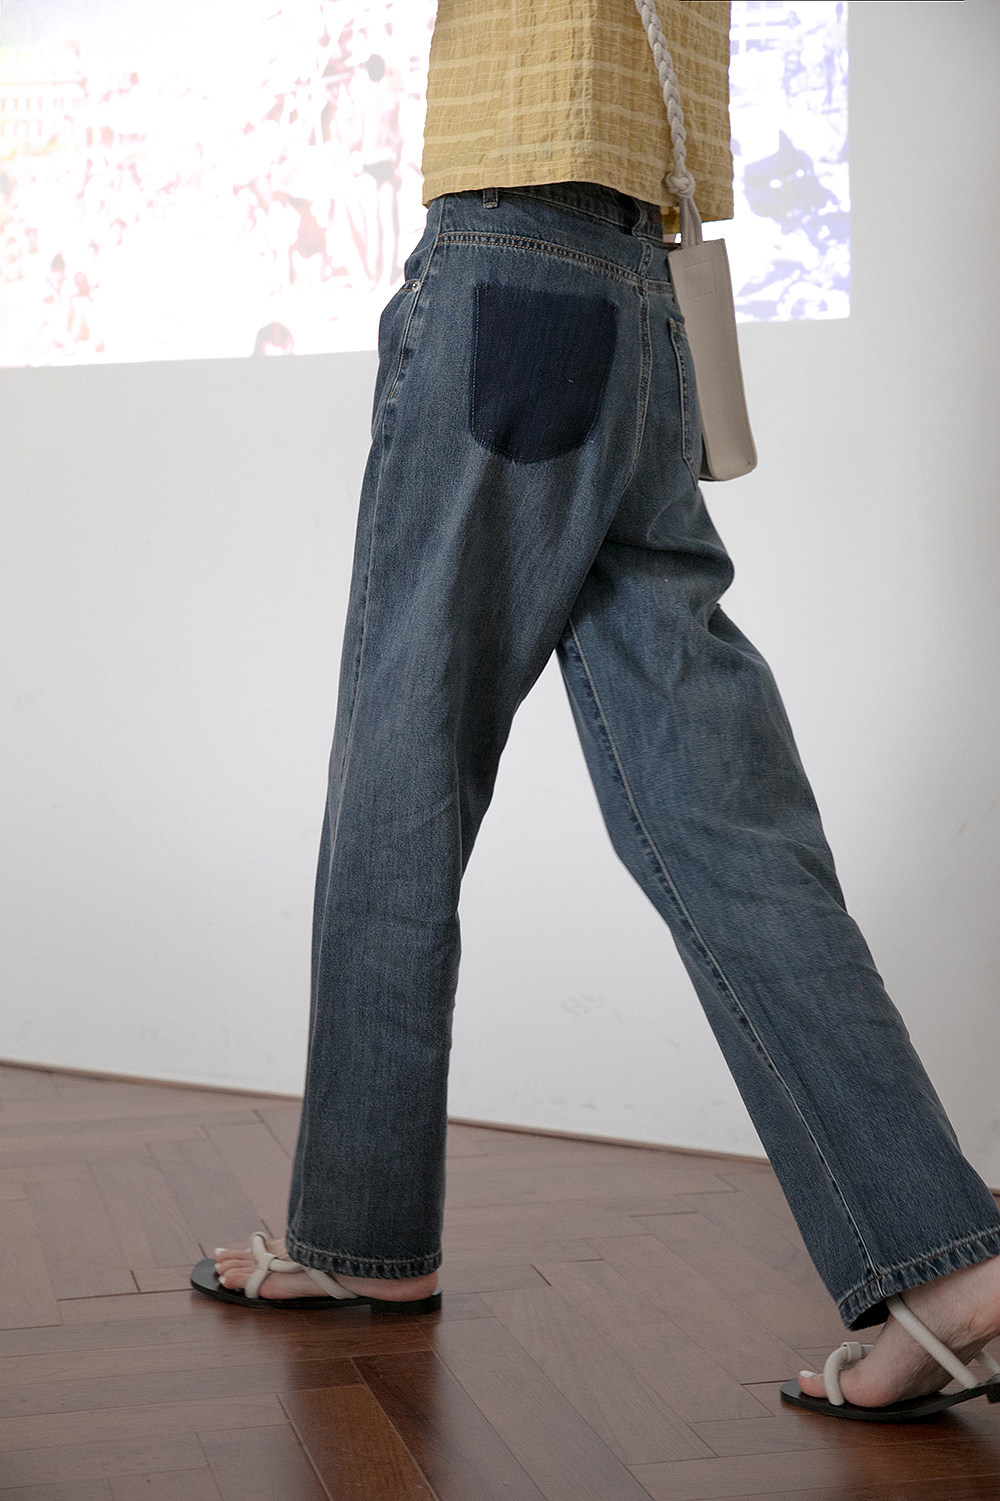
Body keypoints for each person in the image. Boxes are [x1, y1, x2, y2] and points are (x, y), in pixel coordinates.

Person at [199, 0, 1000, 1421]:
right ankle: (949, 1261)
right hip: (650, 297)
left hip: (509, 262)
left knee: (401, 770)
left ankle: (361, 1235)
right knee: (720, 815)